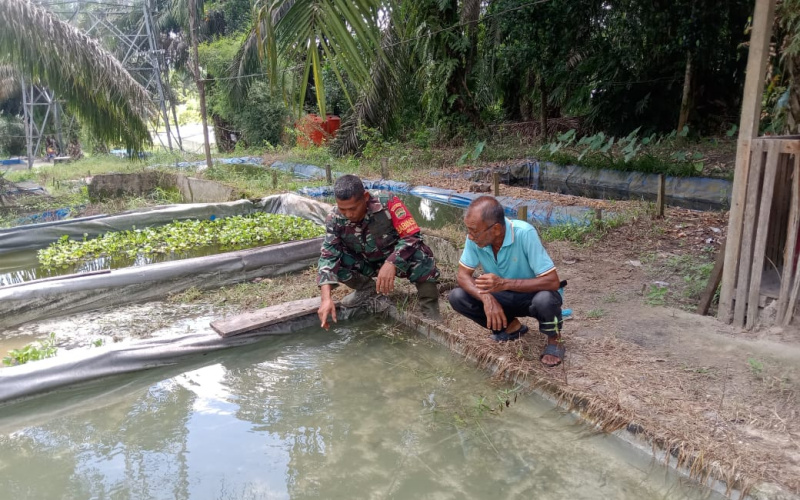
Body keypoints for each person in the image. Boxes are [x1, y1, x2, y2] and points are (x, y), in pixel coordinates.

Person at [448, 196, 566, 367]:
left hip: (532, 296)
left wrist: (504, 283)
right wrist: (487, 298)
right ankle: (512, 327)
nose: (470, 236)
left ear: (495, 229)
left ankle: (555, 341)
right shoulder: (474, 238)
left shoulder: (524, 233)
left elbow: (552, 281)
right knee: (457, 296)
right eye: (469, 230)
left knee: (545, 299)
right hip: (502, 296)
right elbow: (462, 276)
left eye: (474, 231)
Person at [317, 175, 440, 329]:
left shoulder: (387, 202)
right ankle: (366, 288)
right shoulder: (334, 218)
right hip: (365, 263)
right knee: (335, 262)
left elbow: (412, 236)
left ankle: (430, 309)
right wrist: (326, 299)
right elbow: (329, 255)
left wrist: (391, 262)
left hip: (397, 259)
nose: (348, 214)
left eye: (353, 208)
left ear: (365, 197)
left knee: (421, 254)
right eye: (343, 209)